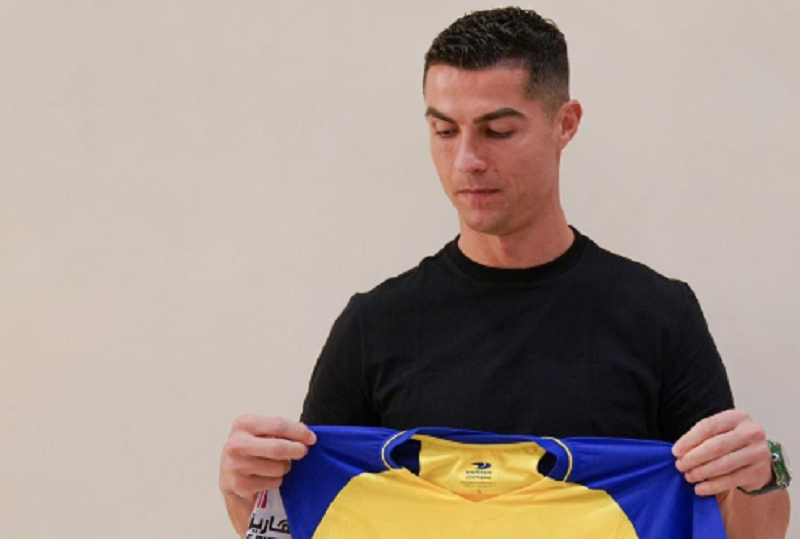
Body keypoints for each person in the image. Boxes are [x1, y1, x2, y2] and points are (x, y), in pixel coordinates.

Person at [219, 7, 790, 538]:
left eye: (497, 130)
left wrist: (762, 474)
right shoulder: (375, 324)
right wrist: (244, 491)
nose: (467, 160)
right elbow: (301, 525)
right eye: (445, 131)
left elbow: (744, 529)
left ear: (565, 124)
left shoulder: (658, 315)